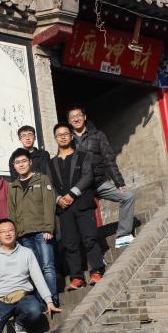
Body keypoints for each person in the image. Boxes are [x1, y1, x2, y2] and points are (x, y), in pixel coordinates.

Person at [67, 105, 136, 248]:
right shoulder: (67, 140)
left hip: (99, 182)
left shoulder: (98, 135)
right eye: (72, 117)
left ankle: (123, 235)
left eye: (78, 115)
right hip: (81, 186)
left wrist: (119, 182)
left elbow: (109, 159)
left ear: (84, 117)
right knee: (81, 218)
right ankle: (90, 250)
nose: (76, 119)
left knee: (128, 196)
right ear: (69, 121)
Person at [49, 122, 105, 290]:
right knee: (70, 243)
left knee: (90, 238)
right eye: (59, 135)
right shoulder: (50, 163)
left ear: (71, 136)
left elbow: (87, 176)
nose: (63, 137)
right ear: (55, 138)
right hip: (64, 208)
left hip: (83, 204)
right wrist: (58, 198)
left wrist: (72, 194)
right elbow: (49, 184)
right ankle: (76, 277)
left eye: (66, 134)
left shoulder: (83, 156)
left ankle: (97, 271)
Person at [8, 148, 58, 307]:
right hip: (24, 236)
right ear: (14, 166)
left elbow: (49, 205)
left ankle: (53, 301)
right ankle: (43, 302)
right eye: (17, 162)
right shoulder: (13, 187)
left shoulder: (42, 179)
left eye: (24, 161)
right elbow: (12, 213)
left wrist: (49, 228)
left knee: (47, 267)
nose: (21, 165)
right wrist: (14, 236)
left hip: (42, 232)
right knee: (34, 271)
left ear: (30, 162)